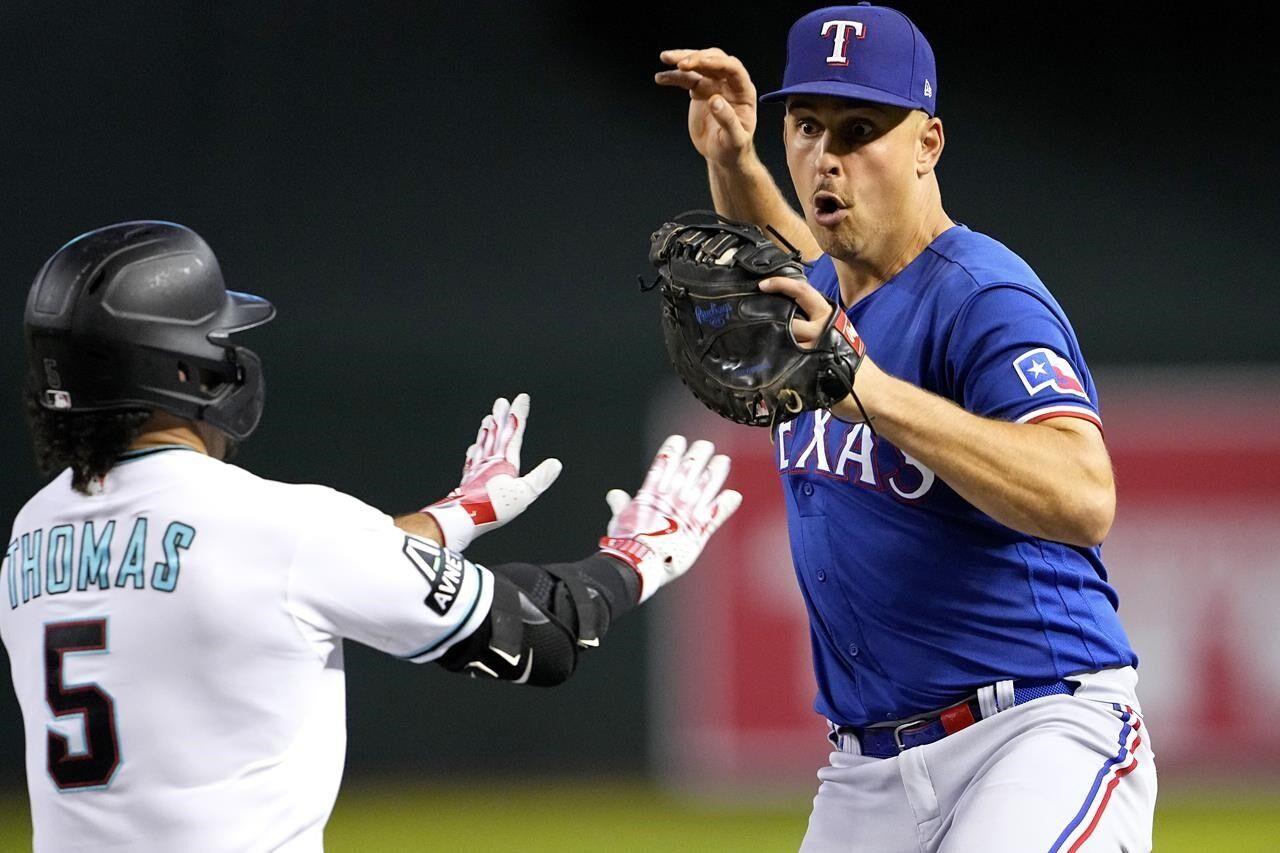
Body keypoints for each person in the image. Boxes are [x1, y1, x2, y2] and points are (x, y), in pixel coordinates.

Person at [1, 221, 741, 852]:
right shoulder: (276, 527)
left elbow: (254, 585)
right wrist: (633, 558)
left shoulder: (31, 536)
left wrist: (458, 515)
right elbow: (535, 637)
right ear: (188, 370)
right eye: (218, 340)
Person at [657, 5, 1154, 851]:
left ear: (928, 144)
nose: (828, 157)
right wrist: (734, 159)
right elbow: (789, 254)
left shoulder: (985, 297)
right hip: (867, 767)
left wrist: (873, 393)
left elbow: (1084, 495)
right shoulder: (833, 289)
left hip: (1035, 726)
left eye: (861, 130)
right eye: (807, 126)